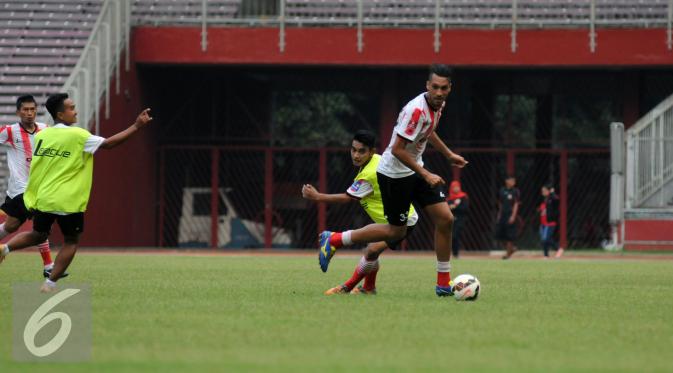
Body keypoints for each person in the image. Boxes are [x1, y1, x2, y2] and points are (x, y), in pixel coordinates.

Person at [316, 64, 468, 297]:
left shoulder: (438, 106)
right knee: (396, 232)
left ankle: (443, 283)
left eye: (443, 88)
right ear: (427, 86)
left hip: (413, 169)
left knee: (446, 219)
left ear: (449, 88)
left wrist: (448, 155)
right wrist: (425, 174)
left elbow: (428, 131)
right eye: (435, 87)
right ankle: (336, 239)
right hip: (394, 174)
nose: (439, 92)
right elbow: (397, 149)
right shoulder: (416, 110)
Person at [0, 93, 153, 292]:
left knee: (38, 234)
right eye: (71, 108)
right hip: (68, 201)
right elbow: (109, 144)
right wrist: (136, 126)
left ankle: (6, 247)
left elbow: (37, 167)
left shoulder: (43, 135)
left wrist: (33, 194)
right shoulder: (78, 135)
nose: (76, 111)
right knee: (71, 241)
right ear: (61, 114)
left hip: (44, 198)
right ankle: (50, 283)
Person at [302, 130, 418, 295]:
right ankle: (368, 288)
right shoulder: (376, 161)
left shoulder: (369, 174)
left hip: (403, 221)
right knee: (371, 251)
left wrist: (317, 196)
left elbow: (346, 198)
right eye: (353, 150)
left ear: (372, 151)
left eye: (361, 151)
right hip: (400, 218)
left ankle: (335, 243)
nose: (356, 155)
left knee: (371, 251)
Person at [0, 95, 58, 278]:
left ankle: (48, 265)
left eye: (32, 109)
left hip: (37, 187)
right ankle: (49, 265)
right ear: (18, 112)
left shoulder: (45, 129)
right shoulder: (9, 131)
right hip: (20, 189)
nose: (29, 113)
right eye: (25, 110)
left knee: (11, 225)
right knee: (40, 224)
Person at [496, 176, 520, 259]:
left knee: (510, 235)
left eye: (514, 181)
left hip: (510, 215)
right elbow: (500, 203)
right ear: (506, 181)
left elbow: (516, 204)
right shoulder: (502, 190)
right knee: (501, 234)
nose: (514, 182)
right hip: (503, 214)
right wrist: (499, 214)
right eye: (512, 180)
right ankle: (511, 250)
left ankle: (507, 254)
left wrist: (513, 216)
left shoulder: (515, 191)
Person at [447, 180, 469, 258]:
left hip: (460, 219)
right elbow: (447, 208)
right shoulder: (449, 198)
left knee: (455, 235)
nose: (456, 189)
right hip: (451, 219)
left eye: (457, 187)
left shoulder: (463, 197)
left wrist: (455, 207)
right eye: (454, 187)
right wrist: (451, 207)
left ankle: (456, 253)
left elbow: (465, 208)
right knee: (450, 236)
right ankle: (453, 253)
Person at [539, 184, 560, 258]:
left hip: (550, 223)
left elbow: (556, 199)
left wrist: (552, 192)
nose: (543, 192)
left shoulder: (552, 199)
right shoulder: (544, 199)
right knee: (543, 239)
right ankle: (546, 255)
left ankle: (558, 249)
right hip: (543, 223)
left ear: (549, 191)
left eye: (544, 191)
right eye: (542, 191)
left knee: (546, 238)